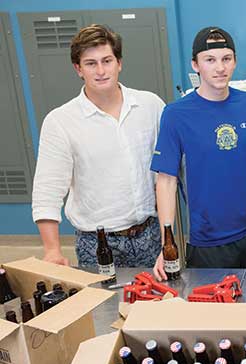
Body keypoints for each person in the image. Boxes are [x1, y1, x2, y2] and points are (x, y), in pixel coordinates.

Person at [32, 24, 165, 268]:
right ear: (78, 69)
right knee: (106, 307)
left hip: (150, 236)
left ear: (119, 63)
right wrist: (52, 250)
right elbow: (47, 190)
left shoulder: (151, 106)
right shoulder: (61, 121)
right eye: (91, 63)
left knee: (159, 303)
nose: (101, 70)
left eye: (107, 60)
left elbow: (168, 174)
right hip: (96, 242)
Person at [151, 26, 246, 279]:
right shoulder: (176, 114)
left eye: (226, 59)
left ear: (234, 62)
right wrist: (167, 241)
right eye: (210, 60)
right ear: (195, 65)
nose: (220, 68)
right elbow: (166, 180)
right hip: (208, 242)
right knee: (215, 313)